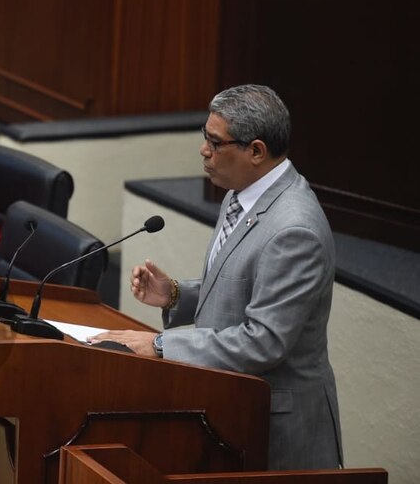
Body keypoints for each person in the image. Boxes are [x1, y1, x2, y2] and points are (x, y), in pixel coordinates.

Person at [89, 84, 342, 471]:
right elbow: (243, 290)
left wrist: (160, 346)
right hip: (230, 409)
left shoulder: (295, 230)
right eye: (204, 136)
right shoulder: (241, 193)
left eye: (215, 141)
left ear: (255, 151)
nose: (203, 150)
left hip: (276, 433)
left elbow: (264, 341)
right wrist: (176, 295)